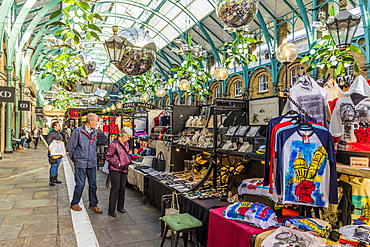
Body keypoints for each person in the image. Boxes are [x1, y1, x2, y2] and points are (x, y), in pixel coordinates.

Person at [67, 113, 103, 214]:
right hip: (81, 162)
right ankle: (74, 203)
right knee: (80, 184)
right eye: (96, 121)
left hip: (91, 162)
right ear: (90, 121)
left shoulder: (95, 132)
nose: (97, 123)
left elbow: (99, 143)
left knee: (93, 184)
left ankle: (93, 204)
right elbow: (70, 147)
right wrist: (75, 158)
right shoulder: (77, 132)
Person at [105, 127, 132, 217]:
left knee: (122, 188)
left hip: (124, 168)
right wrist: (118, 163)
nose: (129, 139)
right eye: (128, 137)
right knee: (115, 188)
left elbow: (126, 153)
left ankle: (120, 207)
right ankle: (111, 209)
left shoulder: (126, 143)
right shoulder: (113, 144)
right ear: (123, 135)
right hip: (115, 169)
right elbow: (108, 156)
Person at [46, 122, 63, 186]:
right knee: (54, 165)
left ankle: (55, 178)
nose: (59, 126)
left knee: (57, 165)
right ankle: (51, 180)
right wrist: (56, 142)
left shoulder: (58, 133)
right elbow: (48, 142)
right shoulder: (51, 134)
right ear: (54, 126)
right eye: (58, 125)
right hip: (53, 152)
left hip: (58, 151)